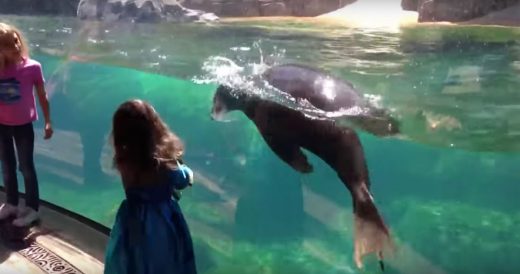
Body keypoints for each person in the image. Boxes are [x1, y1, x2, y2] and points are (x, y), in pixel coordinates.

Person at [104, 99, 197, 274]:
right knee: (163, 261)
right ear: (154, 128)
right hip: (162, 220)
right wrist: (180, 166)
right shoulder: (163, 164)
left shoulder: (124, 161)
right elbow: (183, 180)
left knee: (132, 263)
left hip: (132, 220)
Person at [0, 22, 53, 227]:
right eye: (6, 44)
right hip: (1, 124)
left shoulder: (33, 67)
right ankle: (11, 203)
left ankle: (32, 208)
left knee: (26, 167)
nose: (14, 46)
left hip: (23, 125)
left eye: (15, 41)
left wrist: (48, 121)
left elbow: (42, 95)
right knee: (7, 165)